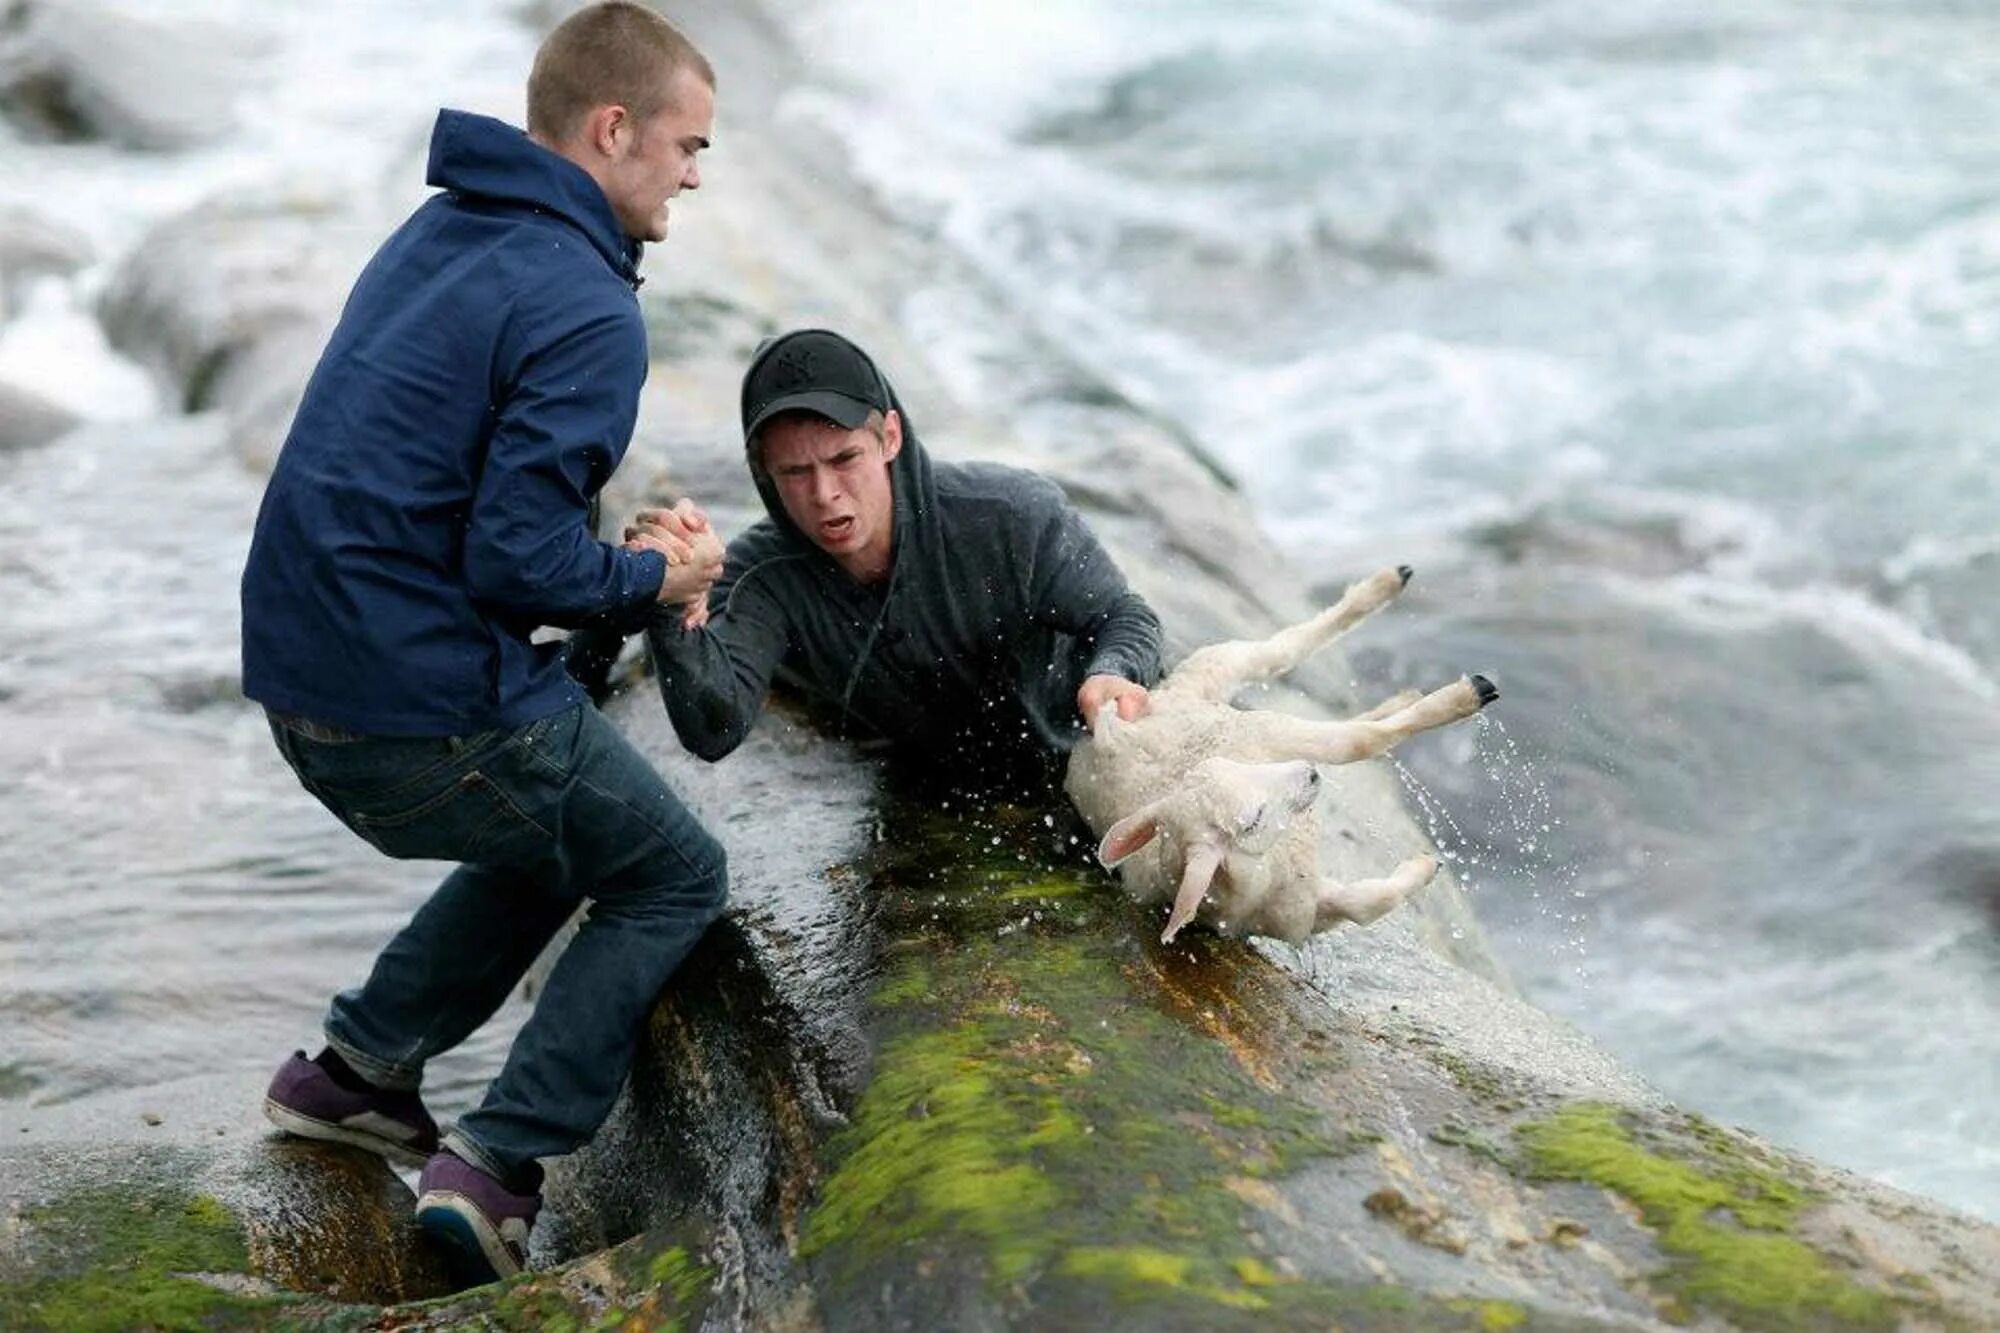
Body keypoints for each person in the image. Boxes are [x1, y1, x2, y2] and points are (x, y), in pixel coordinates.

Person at [240, 2, 726, 1286]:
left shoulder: (442, 230)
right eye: (686, 146)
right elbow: (516, 560)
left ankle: (353, 1075)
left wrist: (598, 564)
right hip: (413, 708)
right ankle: (499, 1165)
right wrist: (653, 574)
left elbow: (451, 500)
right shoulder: (585, 302)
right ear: (612, 128)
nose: (691, 174)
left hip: (305, 688)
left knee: (564, 816)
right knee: (672, 869)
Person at [638, 328, 1162, 792]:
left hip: (1080, 759)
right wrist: (668, 602)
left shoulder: (1010, 517)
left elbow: (1125, 616)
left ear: (889, 437)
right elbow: (713, 729)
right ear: (762, 471)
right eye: (796, 472)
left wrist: (1113, 674)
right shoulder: (761, 577)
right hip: (931, 786)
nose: (825, 494)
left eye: (845, 459)